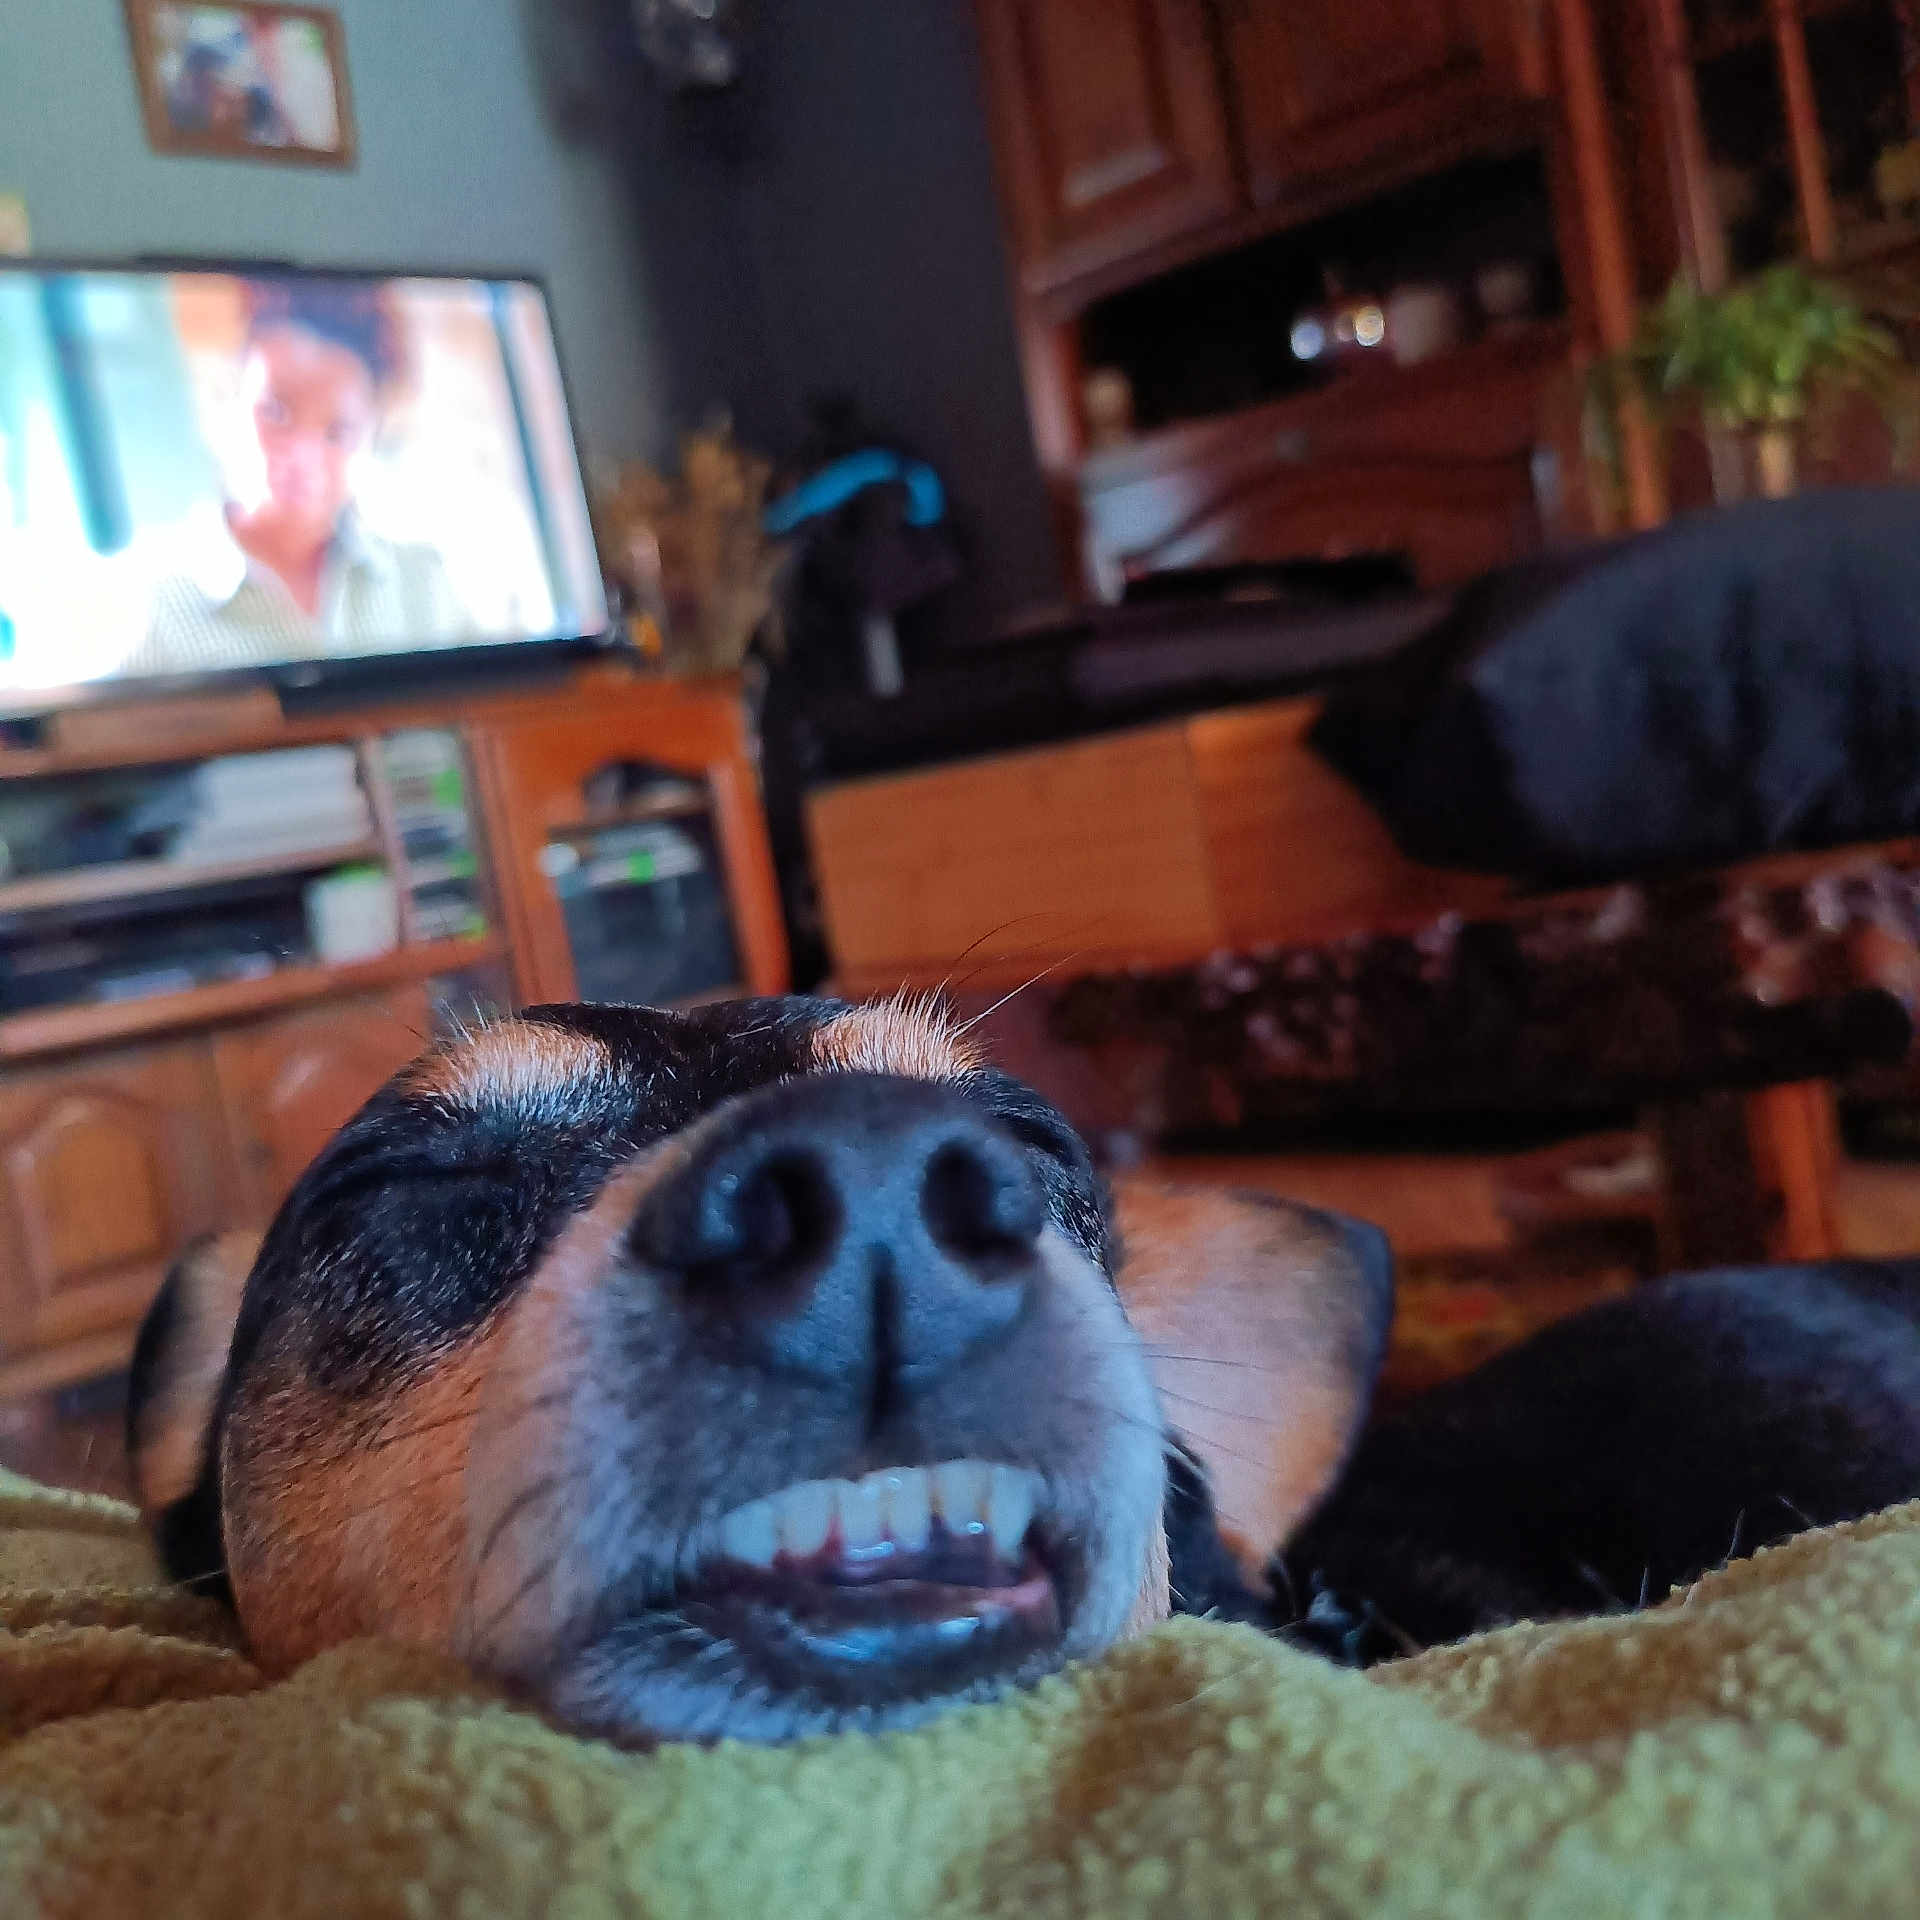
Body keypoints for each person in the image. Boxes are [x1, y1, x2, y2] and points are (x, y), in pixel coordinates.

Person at [131, 280, 473, 677]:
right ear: (231, 402)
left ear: (372, 441)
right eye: (275, 412)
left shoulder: (423, 584)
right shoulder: (155, 606)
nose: (302, 456)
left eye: (338, 433)